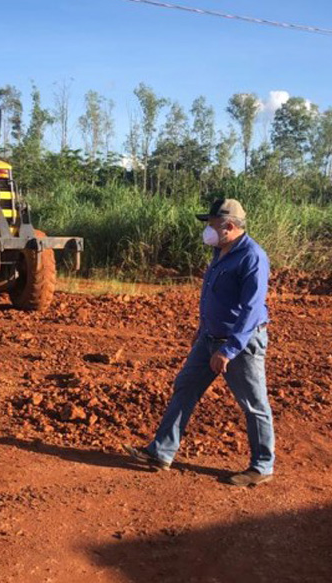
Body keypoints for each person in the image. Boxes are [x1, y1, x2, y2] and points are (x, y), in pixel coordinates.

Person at [124, 199, 274, 487]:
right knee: (185, 387)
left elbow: (251, 310)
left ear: (228, 226)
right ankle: (161, 452)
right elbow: (213, 296)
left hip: (239, 343)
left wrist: (229, 349)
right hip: (208, 337)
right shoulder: (221, 251)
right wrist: (203, 328)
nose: (207, 230)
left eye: (211, 225)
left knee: (254, 404)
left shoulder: (252, 257)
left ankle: (262, 466)